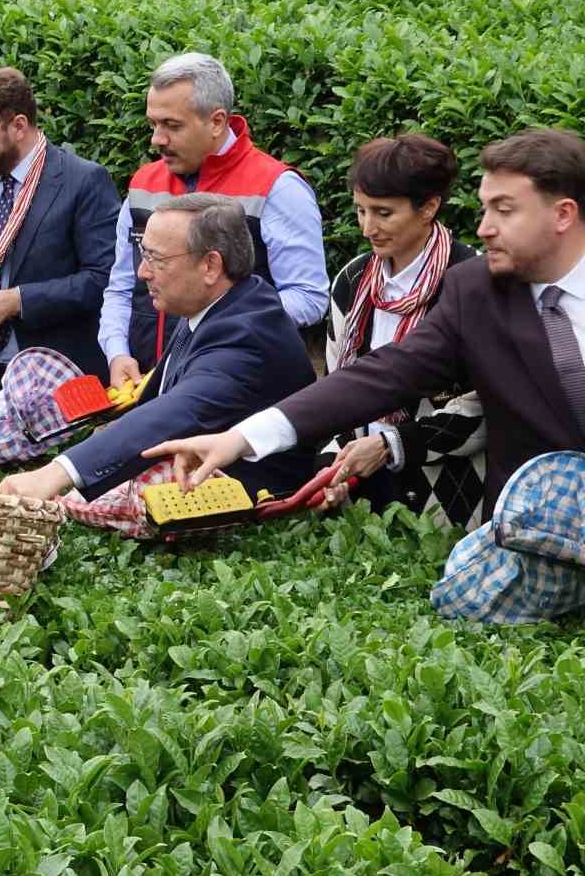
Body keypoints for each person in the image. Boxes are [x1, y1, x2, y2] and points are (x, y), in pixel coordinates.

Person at [147, 129, 585, 624]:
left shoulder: (458, 274)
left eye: (504, 211)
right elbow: (380, 375)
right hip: (538, 546)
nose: (483, 228)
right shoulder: (474, 290)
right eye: (484, 209)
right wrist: (240, 439)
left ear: (562, 215)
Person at [0, 195, 315, 505]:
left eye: (155, 259)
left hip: (243, 491)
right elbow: (159, 398)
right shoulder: (219, 302)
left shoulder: (246, 336)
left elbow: (173, 413)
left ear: (210, 266)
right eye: (142, 255)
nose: (142, 272)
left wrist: (55, 475)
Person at [100, 52, 328, 384]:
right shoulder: (142, 184)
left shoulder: (278, 187)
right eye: (153, 124)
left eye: (172, 125)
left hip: (239, 387)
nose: (156, 139)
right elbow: (121, 288)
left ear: (217, 122)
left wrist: (218, 319)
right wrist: (117, 352)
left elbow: (309, 297)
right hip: (150, 387)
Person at [0, 65, 120, 392]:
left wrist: (15, 301)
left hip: (50, 377)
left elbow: (102, 279)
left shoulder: (83, 181)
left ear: (18, 126)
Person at [321, 134, 484, 527]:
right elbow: (336, 389)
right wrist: (330, 467)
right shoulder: (353, 278)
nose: (367, 228)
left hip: (448, 505)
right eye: (360, 211)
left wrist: (392, 444)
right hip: (363, 494)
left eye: (383, 213)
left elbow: (486, 407)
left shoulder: (472, 281)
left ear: (429, 207)